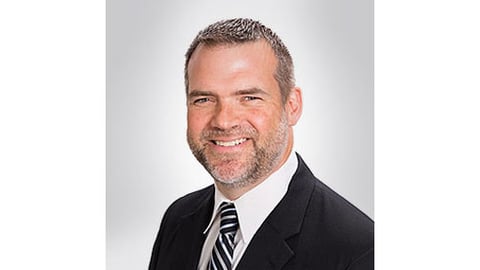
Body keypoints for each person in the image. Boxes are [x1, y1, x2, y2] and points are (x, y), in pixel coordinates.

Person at [149, 18, 373, 270]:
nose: (223, 121)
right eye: (204, 99)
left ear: (292, 105)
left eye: (249, 97)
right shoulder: (178, 219)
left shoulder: (359, 251)